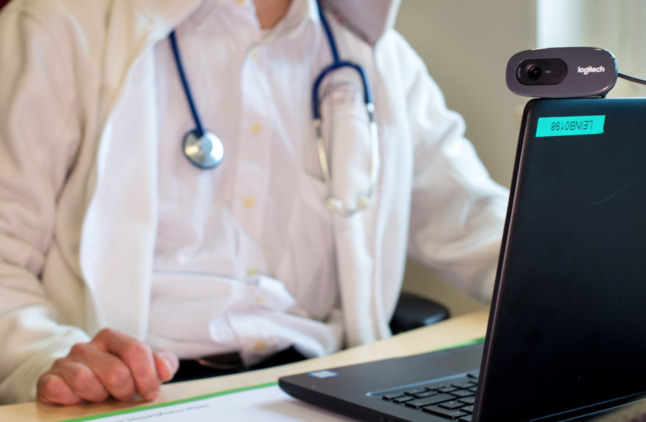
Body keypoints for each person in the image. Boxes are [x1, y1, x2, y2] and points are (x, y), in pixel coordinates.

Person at [0, 0, 509, 406]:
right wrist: (49, 355)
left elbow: (478, 225)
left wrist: (576, 274)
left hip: (317, 390)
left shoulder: (376, 55)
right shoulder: (57, 26)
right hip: (140, 400)